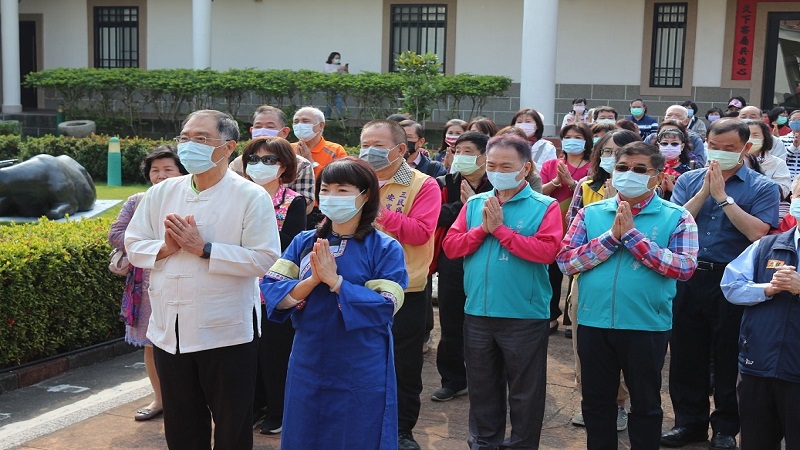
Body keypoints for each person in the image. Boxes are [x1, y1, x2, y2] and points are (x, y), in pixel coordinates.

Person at [124, 110, 281, 449]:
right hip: (170, 330)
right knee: (181, 425)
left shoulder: (250, 195)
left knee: (231, 425)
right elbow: (133, 245)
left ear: (228, 147)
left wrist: (205, 249)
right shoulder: (161, 193)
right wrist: (166, 248)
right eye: (184, 138)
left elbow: (265, 258)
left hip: (226, 332)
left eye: (201, 138)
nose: (189, 145)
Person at [259, 157, 408, 449]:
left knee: (357, 432)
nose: (331, 196)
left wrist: (337, 283)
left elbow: (386, 305)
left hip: (360, 360)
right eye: (325, 189)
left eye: (342, 190)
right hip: (309, 355)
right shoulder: (303, 242)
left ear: (365, 195)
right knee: (305, 429)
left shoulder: (385, 248)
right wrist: (313, 280)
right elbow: (272, 291)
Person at [557, 141, 699, 450]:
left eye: (639, 169)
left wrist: (634, 237)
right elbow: (566, 261)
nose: (629, 174)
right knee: (596, 401)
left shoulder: (677, 216)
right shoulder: (591, 213)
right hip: (594, 321)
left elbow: (684, 267)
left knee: (645, 403)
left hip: (645, 324)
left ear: (657, 177)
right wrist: (611, 239)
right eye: (622, 168)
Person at [662, 119, 780, 450]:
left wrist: (724, 199)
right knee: (686, 353)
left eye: (729, 148)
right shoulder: (688, 179)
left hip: (732, 279)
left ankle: (726, 427)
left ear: (745, 148)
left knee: (729, 354)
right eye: (714, 146)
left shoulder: (762, 187)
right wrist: (704, 193)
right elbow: (673, 223)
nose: (720, 153)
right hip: (689, 276)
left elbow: (757, 232)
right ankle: (689, 423)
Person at [442, 134, 562, 449]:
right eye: (492, 165)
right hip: (478, 312)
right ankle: (484, 442)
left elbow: (547, 252)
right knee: (482, 387)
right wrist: (483, 229)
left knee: (525, 392)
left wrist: (501, 231)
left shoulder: (544, 206)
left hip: (523, 314)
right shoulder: (475, 204)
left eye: (506, 166)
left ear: (526, 168)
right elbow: (451, 247)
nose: (497, 171)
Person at [359, 119, 440, 450]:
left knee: (403, 365)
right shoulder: (354, 178)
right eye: (365, 145)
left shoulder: (423, 185)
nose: (369, 152)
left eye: (378, 146)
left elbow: (420, 232)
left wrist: (375, 211)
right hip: (354, 286)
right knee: (359, 360)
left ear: (401, 149)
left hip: (403, 289)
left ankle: (402, 429)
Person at [563, 129, 640, 430]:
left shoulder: (647, 191)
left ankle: (620, 403)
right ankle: (591, 400)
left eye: (619, 153)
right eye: (607, 152)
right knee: (586, 347)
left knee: (625, 347)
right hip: (589, 279)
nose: (613, 159)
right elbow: (571, 234)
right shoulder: (586, 187)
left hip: (631, 283)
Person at [720, 176, 800, 450]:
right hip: (758, 366)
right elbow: (731, 286)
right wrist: (767, 289)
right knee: (755, 442)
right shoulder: (766, 246)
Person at [109, 146, 187, 422]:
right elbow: (116, 234)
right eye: (155, 170)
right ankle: (160, 399)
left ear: (182, 172)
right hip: (145, 287)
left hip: (185, 284)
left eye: (168, 169)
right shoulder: (137, 201)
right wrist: (158, 246)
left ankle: (190, 402)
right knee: (151, 345)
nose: (160, 175)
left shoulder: (194, 201)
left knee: (188, 344)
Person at [240, 136, 306, 435]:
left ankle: (278, 411)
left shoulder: (293, 200)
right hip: (241, 287)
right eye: (253, 159)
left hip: (273, 290)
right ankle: (254, 405)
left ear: (284, 167)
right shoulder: (237, 197)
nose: (259, 165)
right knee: (247, 354)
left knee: (274, 354)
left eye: (269, 160)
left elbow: (289, 245)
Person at [431, 131, 492, 403]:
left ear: (484, 156)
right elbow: (435, 215)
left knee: (487, 321)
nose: (460, 156)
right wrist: (465, 205)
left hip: (488, 257)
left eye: (468, 151)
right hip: (452, 258)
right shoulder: (443, 183)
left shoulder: (498, 182)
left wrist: (473, 204)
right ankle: (453, 380)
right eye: (457, 151)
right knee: (451, 320)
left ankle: (488, 379)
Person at [540, 123, 593, 333]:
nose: (572, 140)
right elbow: (540, 192)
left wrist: (572, 183)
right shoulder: (551, 164)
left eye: (578, 137)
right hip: (554, 224)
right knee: (551, 274)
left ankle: (572, 319)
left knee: (576, 272)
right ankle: (551, 315)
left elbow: (592, 193)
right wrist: (556, 181)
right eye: (568, 136)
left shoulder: (593, 166)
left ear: (586, 141)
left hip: (581, 226)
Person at [229, 105, 315, 213]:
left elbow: (306, 206)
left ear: (284, 132)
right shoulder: (238, 164)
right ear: (251, 130)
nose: (263, 131)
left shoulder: (301, 165)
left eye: (270, 127)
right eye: (258, 127)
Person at [746, 120, 791, 201]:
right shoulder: (734, 160)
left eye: (755, 135)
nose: (750, 138)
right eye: (747, 135)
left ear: (765, 138)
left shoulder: (778, 163)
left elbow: (783, 190)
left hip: (766, 204)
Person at [656, 128, 694, 201]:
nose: (669, 147)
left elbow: (691, 196)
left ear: (682, 146)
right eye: (664, 143)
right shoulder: (653, 167)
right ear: (659, 145)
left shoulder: (688, 170)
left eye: (674, 144)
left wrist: (674, 189)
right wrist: (661, 189)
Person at [323, 52, 348, 119]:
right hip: (330, 85)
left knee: (339, 100)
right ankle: (327, 116)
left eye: (339, 58)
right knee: (330, 101)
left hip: (338, 86)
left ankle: (339, 116)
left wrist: (345, 70)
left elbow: (344, 75)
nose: (338, 60)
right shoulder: (327, 65)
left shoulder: (339, 66)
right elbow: (327, 72)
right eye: (336, 58)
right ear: (332, 58)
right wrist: (338, 69)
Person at [780, 109, 800, 178]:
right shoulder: (782, 140)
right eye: (794, 119)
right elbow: (780, 159)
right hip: (787, 178)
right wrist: (793, 147)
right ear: (789, 122)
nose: (797, 122)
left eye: (799, 119)